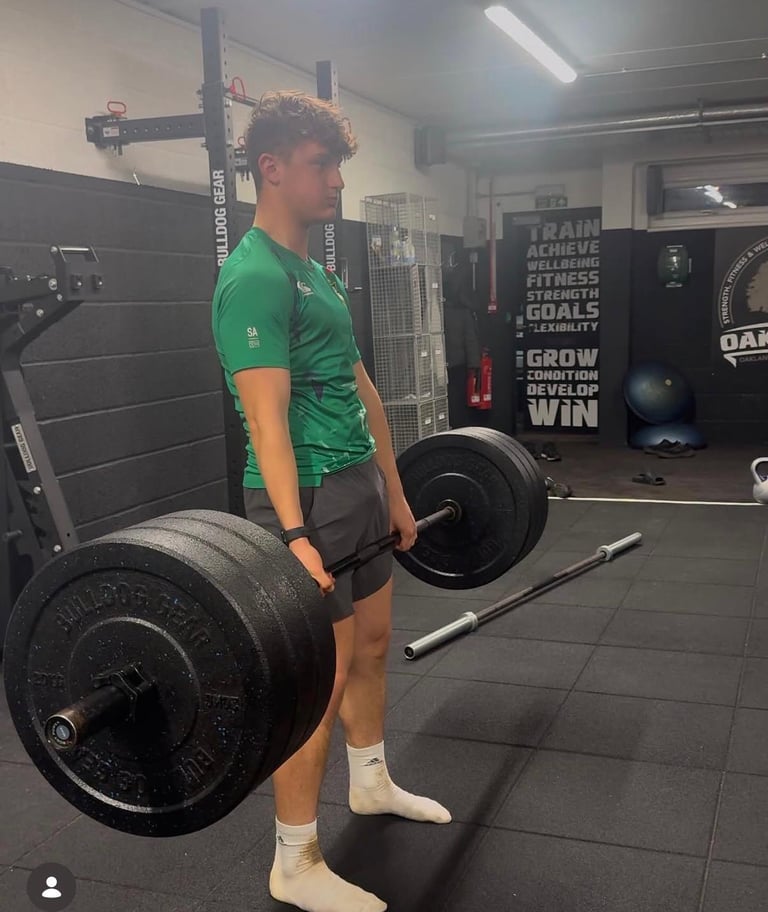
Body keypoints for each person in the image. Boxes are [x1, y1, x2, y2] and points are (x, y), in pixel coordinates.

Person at [211, 91, 451, 912]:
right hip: (303, 494)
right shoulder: (251, 276)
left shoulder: (317, 273)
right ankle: (295, 859)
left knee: (376, 642)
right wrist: (291, 536)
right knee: (319, 679)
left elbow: (362, 391)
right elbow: (265, 419)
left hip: (356, 485)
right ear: (271, 168)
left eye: (339, 167)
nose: (338, 184)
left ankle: (373, 783)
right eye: (323, 166)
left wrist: (397, 490)